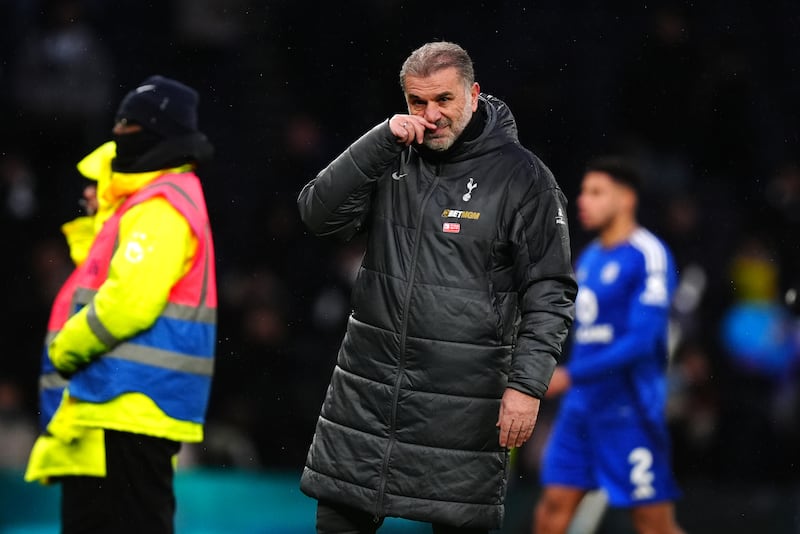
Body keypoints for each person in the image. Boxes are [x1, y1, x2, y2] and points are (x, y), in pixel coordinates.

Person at [297, 41, 577, 533]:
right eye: (416, 102)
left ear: (473, 94)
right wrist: (379, 139)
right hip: (368, 394)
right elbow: (317, 214)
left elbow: (549, 292)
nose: (431, 116)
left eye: (443, 100)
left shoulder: (524, 178)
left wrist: (527, 386)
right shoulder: (392, 156)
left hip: (463, 410)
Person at [25, 75, 217, 534]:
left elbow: (129, 302)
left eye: (130, 127)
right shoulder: (151, 206)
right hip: (119, 405)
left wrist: (65, 350)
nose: (120, 136)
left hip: (131, 406)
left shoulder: (162, 205)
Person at [534, 157, 684, 534]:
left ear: (626, 199)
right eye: (584, 191)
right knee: (552, 508)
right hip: (581, 410)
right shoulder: (588, 259)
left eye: (596, 192)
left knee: (654, 524)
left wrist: (570, 375)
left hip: (628, 411)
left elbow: (641, 341)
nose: (583, 200)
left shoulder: (648, 254)